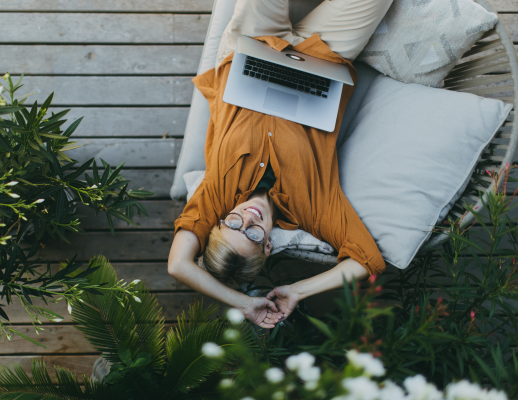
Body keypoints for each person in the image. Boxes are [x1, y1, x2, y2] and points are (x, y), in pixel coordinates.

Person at [168, 0, 393, 328]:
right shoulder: (313, 209)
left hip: (253, 46)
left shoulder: (215, 195)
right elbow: (367, 262)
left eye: (232, 225)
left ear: (219, 222)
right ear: (268, 245)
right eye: (254, 235)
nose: (247, 219)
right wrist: (296, 292)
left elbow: (178, 265)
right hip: (323, 55)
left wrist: (243, 304)